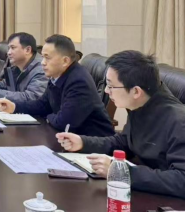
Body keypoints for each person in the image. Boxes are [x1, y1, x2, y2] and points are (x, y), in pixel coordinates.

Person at [56, 50, 185, 198]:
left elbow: (181, 180)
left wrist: (119, 172)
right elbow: (124, 142)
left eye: (111, 86)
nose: (106, 91)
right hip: (145, 193)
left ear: (136, 91)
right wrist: (83, 142)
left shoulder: (179, 121)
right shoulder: (141, 104)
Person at [0, 34, 114, 137]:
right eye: (42, 57)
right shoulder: (57, 75)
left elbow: (65, 123)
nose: (42, 63)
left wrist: (48, 116)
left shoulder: (79, 82)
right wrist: (15, 107)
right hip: (67, 139)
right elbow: (42, 105)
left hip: (92, 145)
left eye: (47, 57)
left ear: (65, 61)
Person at [0, 32, 47, 101]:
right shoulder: (16, 67)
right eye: (9, 48)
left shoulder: (42, 69)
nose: (8, 53)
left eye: (13, 48)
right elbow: (6, 84)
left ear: (27, 50)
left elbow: (31, 98)